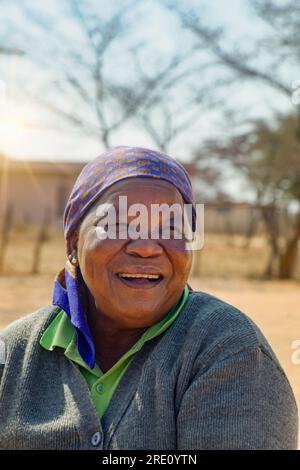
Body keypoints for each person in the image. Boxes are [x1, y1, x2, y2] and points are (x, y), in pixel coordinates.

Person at [0, 146, 298, 449]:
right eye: (117, 225)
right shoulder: (12, 354)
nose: (146, 247)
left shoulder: (225, 347)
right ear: (73, 243)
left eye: (171, 227)